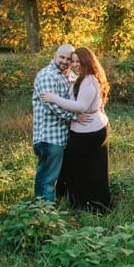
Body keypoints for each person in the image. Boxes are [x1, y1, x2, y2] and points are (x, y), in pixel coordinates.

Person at [41, 46, 112, 212]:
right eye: (73, 61)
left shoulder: (88, 80)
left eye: (78, 61)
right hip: (94, 128)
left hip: (88, 133)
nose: (75, 64)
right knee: (92, 167)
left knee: (69, 163)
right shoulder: (85, 78)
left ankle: (80, 201)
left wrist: (53, 98)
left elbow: (80, 105)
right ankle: (92, 201)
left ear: (87, 61)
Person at [32, 44, 91, 202]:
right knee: (47, 178)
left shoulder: (68, 74)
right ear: (54, 55)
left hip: (61, 137)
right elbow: (53, 107)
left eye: (69, 59)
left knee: (55, 176)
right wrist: (75, 117)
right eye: (62, 57)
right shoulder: (47, 75)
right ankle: (44, 214)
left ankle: (54, 204)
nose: (65, 61)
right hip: (49, 138)